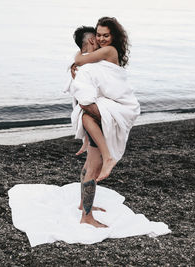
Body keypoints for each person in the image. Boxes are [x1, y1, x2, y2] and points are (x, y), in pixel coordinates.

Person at [65, 18, 140, 228]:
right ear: (90, 41)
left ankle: (83, 206)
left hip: (98, 116)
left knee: (90, 163)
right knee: (93, 167)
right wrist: (81, 59)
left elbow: (85, 72)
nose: (100, 40)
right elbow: (84, 93)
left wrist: (80, 58)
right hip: (98, 119)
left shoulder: (107, 53)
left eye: (105, 36)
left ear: (113, 36)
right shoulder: (93, 62)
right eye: (97, 37)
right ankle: (87, 217)